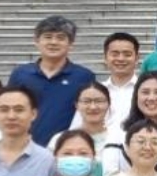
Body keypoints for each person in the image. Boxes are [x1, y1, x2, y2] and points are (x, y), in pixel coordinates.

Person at [8, 15, 97, 147]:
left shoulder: (83, 77)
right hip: (25, 146)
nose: (53, 42)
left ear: (71, 44)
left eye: (60, 38)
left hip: (66, 149)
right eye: (48, 37)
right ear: (36, 41)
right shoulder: (21, 74)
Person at [83, 35, 139, 130]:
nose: (121, 59)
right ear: (105, 58)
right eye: (115, 54)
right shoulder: (94, 92)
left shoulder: (147, 91)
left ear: (137, 58)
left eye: (127, 54)